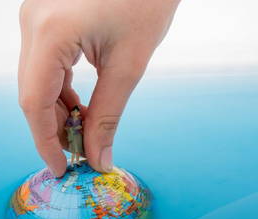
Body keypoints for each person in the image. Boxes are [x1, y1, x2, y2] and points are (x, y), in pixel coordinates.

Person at [18, 0, 181, 177]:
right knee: (76, 152)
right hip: (77, 142)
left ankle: (85, 155)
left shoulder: (73, 121)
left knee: (76, 151)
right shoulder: (74, 122)